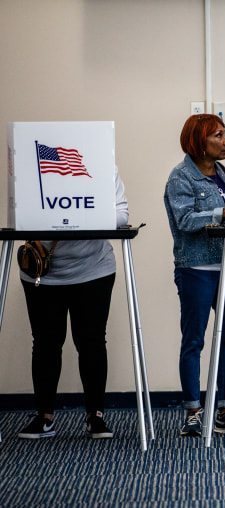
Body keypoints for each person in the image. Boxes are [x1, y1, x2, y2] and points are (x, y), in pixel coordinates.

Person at [164, 114, 225, 437]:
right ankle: (193, 412)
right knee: (194, 341)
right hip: (197, 269)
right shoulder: (180, 177)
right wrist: (223, 212)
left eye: (224, 135)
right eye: (218, 136)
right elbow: (185, 221)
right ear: (199, 142)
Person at [17, 167, 129, 440]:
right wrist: (82, 215)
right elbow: (20, 215)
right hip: (42, 272)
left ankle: (95, 416)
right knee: (45, 343)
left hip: (94, 270)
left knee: (91, 342)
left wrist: (68, 215)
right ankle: (44, 417)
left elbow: (122, 217)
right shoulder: (34, 171)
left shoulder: (105, 170)